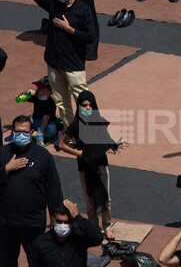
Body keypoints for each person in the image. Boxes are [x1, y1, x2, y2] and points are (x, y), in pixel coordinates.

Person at [26, 0, 94, 125]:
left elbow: (90, 37)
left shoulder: (83, 10)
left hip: (74, 65)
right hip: (54, 63)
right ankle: (70, 134)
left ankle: (90, 135)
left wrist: (70, 30)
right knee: (62, 104)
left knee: (84, 103)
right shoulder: (53, 4)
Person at [0, 114, 64, 267]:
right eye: (18, 132)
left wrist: (57, 218)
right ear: (12, 132)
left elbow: (53, 189)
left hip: (33, 223)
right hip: (6, 223)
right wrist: (7, 169)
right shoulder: (2, 153)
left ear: (31, 132)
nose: (21, 135)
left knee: (38, 262)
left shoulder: (43, 156)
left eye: (25, 132)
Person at [59, 91, 124, 237]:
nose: (87, 108)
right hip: (85, 167)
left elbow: (105, 139)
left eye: (90, 105)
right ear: (79, 106)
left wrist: (114, 144)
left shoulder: (99, 121)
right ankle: (94, 227)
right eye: (84, 105)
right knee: (89, 200)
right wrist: (80, 154)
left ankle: (107, 226)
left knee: (105, 197)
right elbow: (62, 145)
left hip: (101, 163)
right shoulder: (75, 125)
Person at [25, 199, 103, 267]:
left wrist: (77, 216)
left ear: (72, 221)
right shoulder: (40, 243)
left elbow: (98, 237)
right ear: (52, 220)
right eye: (59, 221)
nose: (63, 225)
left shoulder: (79, 237)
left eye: (66, 222)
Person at [22, 76, 59, 143]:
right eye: (38, 87)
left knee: (52, 131)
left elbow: (45, 120)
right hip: (35, 121)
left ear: (49, 93)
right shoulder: (36, 97)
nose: (38, 89)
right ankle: (31, 132)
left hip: (48, 123)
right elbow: (19, 99)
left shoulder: (50, 103)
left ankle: (32, 133)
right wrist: (27, 94)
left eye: (41, 88)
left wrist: (40, 132)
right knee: (22, 122)